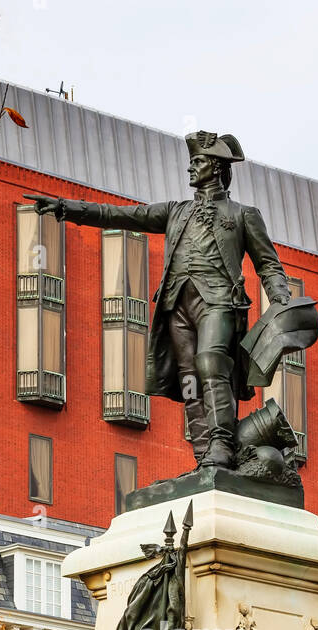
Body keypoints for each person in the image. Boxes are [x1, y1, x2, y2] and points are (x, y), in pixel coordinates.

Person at [33, 131, 291, 467]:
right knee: (189, 380)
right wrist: (67, 208)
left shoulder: (244, 214)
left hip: (218, 302)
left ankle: (222, 443)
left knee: (211, 362)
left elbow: (268, 264)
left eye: (197, 162)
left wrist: (281, 298)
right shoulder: (175, 212)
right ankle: (204, 456)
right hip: (176, 306)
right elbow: (121, 215)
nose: (190, 169)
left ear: (214, 167)